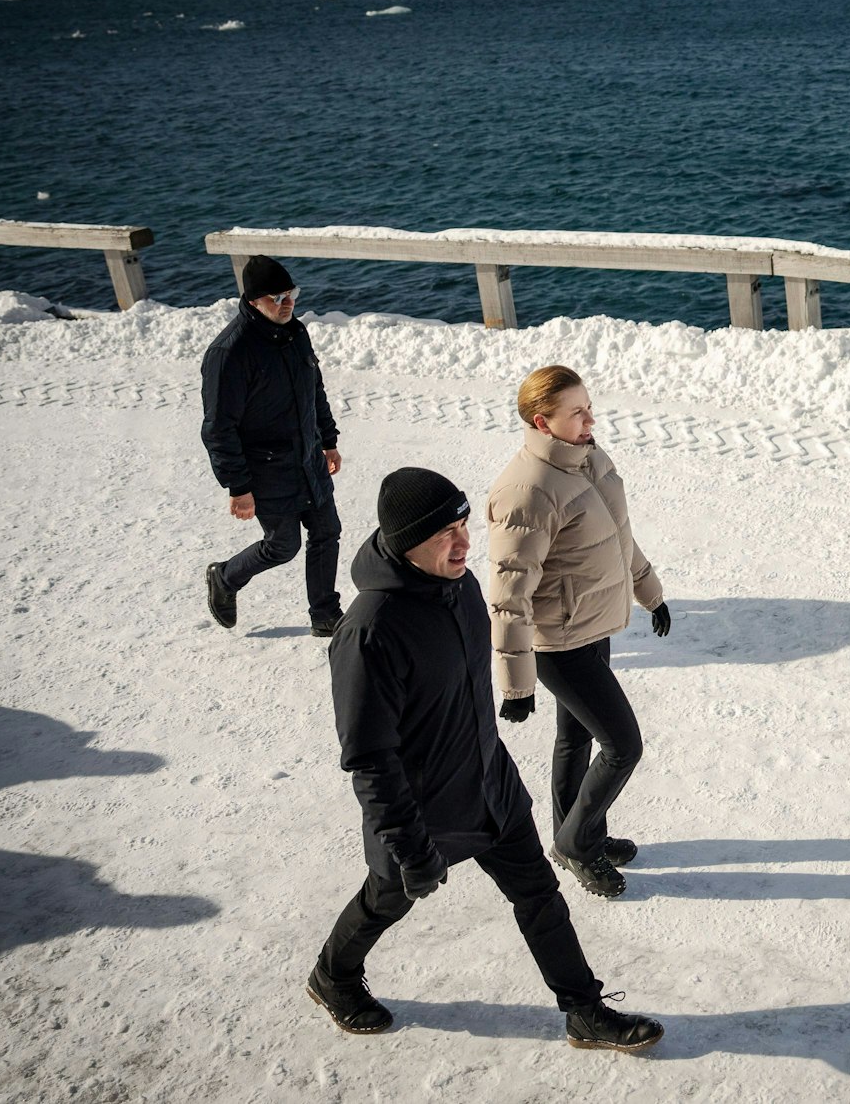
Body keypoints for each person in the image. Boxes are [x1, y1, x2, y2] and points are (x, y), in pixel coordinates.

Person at [308, 466, 662, 1052]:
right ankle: (333, 974)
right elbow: (370, 758)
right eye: (445, 532)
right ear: (403, 542)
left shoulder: (462, 588)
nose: (465, 543)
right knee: (384, 900)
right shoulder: (369, 633)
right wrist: (409, 845)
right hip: (422, 816)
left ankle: (584, 1010)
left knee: (540, 897)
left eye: (464, 525)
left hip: (491, 788)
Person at [486, 366, 670, 899]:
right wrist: (516, 685)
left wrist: (650, 592)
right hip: (559, 642)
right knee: (623, 746)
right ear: (543, 422)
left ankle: (578, 834)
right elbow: (508, 595)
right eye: (577, 412)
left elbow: (617, 537)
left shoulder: (588, 459)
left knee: (576, 737)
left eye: (590, 406)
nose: (591, 418)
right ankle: (576, 843)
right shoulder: (528, 490)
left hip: (591, 622)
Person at [200, 256, 344, 637]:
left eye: (291, 294)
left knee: (327, 531)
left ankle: (325, 614)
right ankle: (225, 577)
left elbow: (314, 391)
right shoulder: (230, 353)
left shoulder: (296, 334)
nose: (287, 303)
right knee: (283, 545)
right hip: (266, 468)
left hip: (308, 458)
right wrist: (238, 487)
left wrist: (328, 440)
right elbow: (218, 428)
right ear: (252, 301)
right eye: (276, 297)